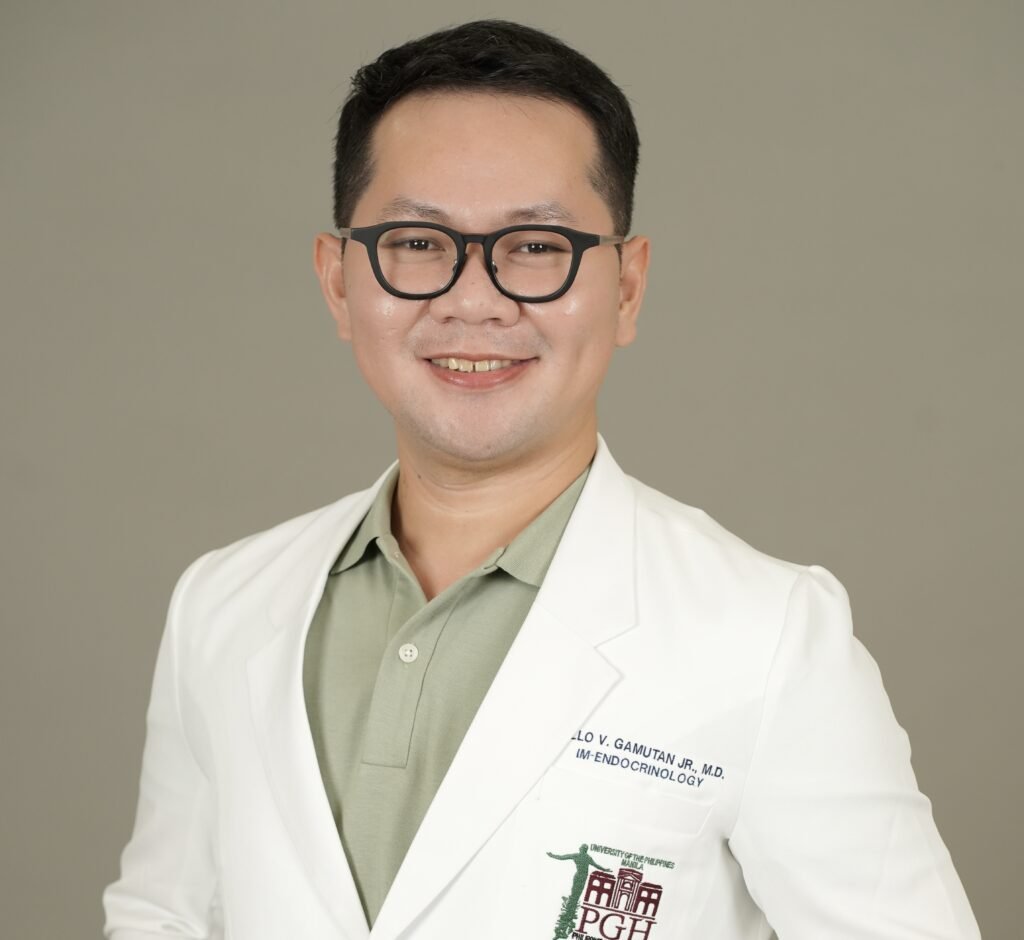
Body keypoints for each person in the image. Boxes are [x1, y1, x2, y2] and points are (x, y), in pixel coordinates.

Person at [103, 18, 980, 940]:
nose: (473, 300)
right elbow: (165, 915)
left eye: (534, 247)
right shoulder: (223, 604)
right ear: (338, 282)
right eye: (417, 242)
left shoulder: (770, 639)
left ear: (627, 287)